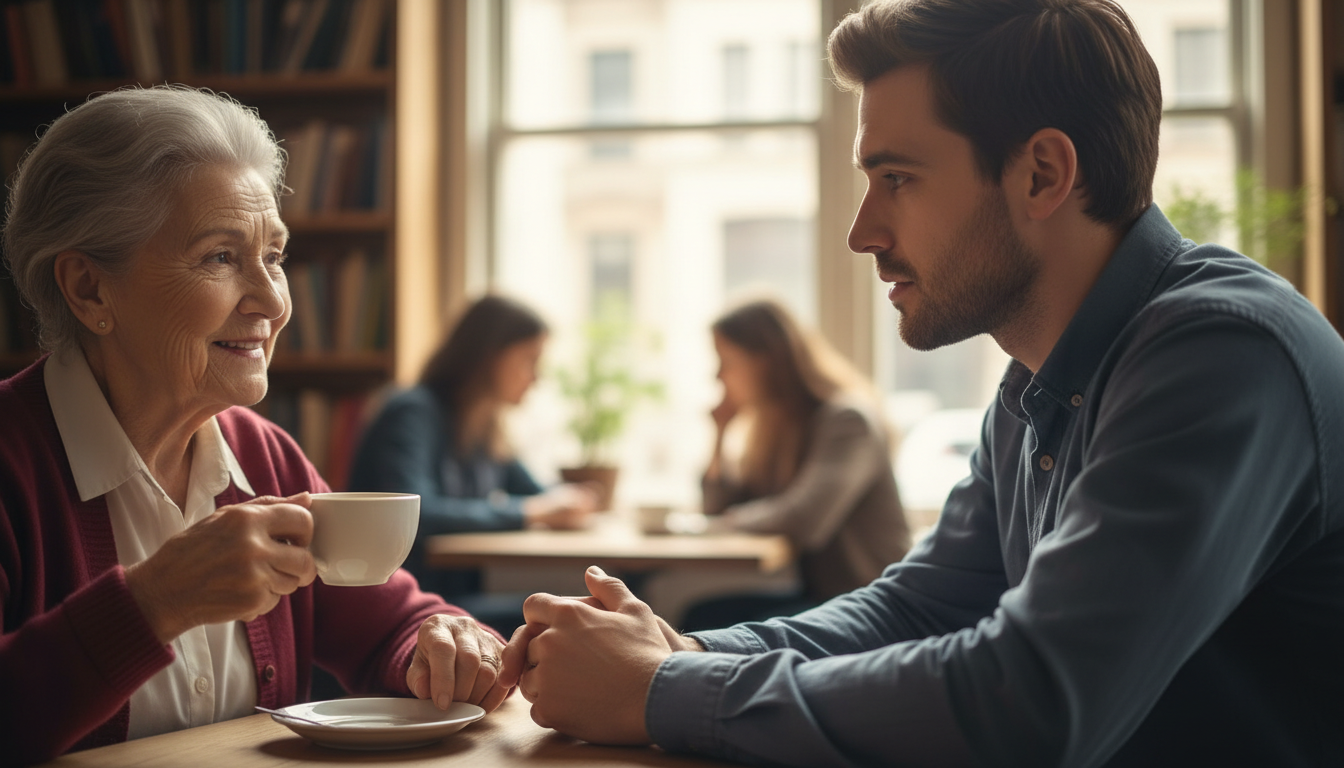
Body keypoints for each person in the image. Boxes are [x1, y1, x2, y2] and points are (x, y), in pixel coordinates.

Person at [496, 1, 1344, 765]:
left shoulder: (1223, 353)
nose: (862, 232)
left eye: (896, 179)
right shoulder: (1036, 382)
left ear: (1043, 174)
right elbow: (918, 607)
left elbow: (1031, 700)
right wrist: (680, 653)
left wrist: (658, 689)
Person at [0, 86, 511, 767]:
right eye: (220, 257)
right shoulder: (12, 460)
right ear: (89, 289)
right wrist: (153, 603)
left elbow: (392, 623)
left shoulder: (264, 455)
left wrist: (444, 640)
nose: (272, 302)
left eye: (273, 257)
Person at [347, 295, 598, 627]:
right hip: (402, 607)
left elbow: (536, 492)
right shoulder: (412, 413)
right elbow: (418, 514)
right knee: (570, 618)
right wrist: (533, 511)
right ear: (489, 356)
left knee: (581, 612)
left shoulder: (483, 426)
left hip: (446, 601)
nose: (536, 378)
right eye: (530, 360)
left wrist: (571, 500)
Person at [681, 298, 910, 629]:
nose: (717, 375)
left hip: (872, 601)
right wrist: (719, 434)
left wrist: (724, 523)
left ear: (766, 361)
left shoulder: (847, 421)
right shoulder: (780, 429)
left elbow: (804, 519)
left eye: (726, 361)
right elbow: (716, 508)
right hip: (825, 595)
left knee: (717, 627)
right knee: (702, 616)